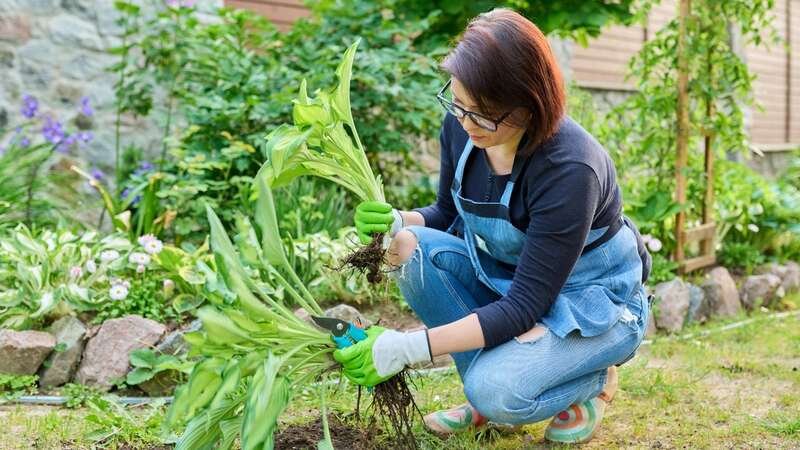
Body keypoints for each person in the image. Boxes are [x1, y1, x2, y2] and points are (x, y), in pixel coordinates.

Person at [334, 8, 652, 444]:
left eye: (485, 114)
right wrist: (398, 219)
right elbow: (446, 213)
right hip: (514, 286)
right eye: (460, 104)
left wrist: (406, 348)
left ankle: (592, 381)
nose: (467, 123)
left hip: (593, 304)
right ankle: (481, 398)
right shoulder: (462, 124)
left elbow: (524, 307)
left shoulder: (570, 169)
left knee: (499, 392)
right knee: (406, 248)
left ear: (531, 101)